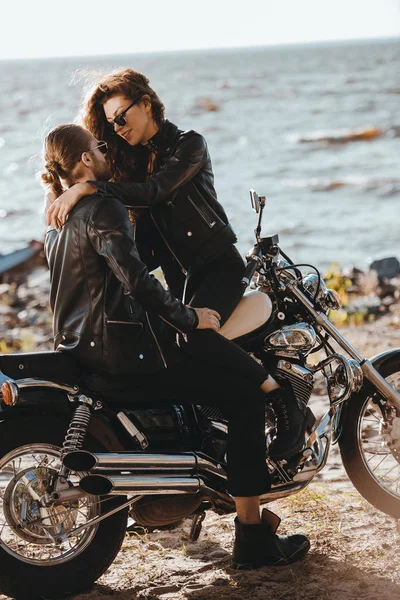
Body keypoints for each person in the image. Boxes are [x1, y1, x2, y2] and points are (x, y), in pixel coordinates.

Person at [41, 122, 310, 569]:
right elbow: (140, 283)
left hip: (85, 352)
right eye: (99, 147)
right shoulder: (102, 208)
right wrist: (189, 316)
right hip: (127, 357)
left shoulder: (57, 220)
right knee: (243, 399)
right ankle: (252, 538)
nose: (107, 152)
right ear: (86, 160)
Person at [45, 68, 308, 460]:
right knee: (178, 350)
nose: (116, 128)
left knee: (194, 334)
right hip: (181, 281)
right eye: (109, 123)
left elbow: (154, 193)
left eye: (121, 117)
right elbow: (139, 247)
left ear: (146, 103)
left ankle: (278, 395)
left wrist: (87, 186)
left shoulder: (190, 145)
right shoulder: (130, 166)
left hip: (219, 266)